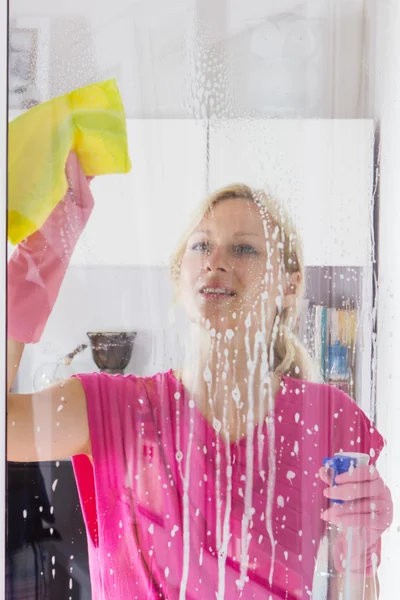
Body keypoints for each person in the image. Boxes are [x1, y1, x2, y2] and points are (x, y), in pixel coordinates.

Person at [7, 181, 393, 600]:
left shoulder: (328, 416)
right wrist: (38, 258)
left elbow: (355, 593)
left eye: (244, 249)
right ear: (179, 275)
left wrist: (360, 552)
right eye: (201, 245)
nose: (215, 262)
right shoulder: (112, 407)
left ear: (289, 286)